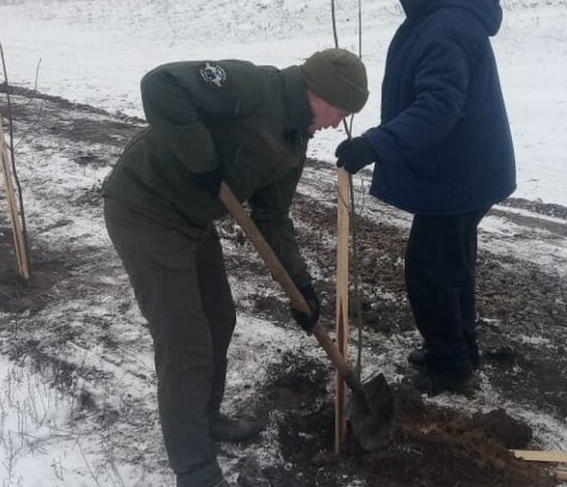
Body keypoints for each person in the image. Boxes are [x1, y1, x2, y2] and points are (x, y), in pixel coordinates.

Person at [102, 49, 368, 487]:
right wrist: (201, 158)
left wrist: (301, 285)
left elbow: (273, 218)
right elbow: (161, 85)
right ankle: (194, 469)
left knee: (219, 318)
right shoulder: (253, 87)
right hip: (144, 206)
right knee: (184, 342)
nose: (336, 123)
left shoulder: (294, 143)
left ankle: (205, 419)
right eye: (337, 112)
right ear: (315, 92)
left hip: (192, 218)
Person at [335, 0, 516, 396]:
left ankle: (450, 363)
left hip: (460, 173)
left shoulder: (445, 27)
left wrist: (375, 144)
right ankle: (458, 348)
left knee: (429, 269)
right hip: (463, 168)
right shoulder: (440, 14)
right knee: (451, 262)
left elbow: (437, 109)